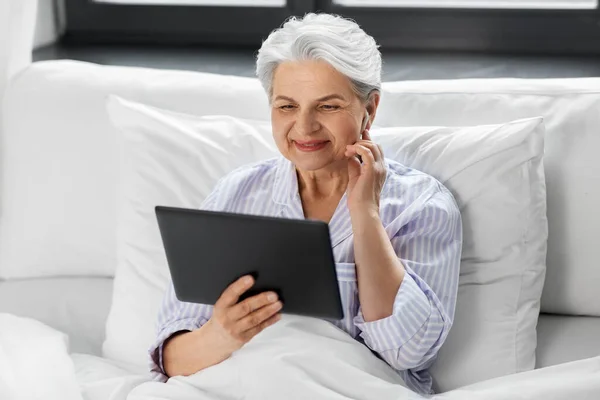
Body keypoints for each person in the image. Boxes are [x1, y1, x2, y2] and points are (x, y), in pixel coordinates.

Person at [149, 13, 462, 395]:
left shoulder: (421, 206)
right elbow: (170, 358)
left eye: (327, 106)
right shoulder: (236, 195)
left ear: (370, 108)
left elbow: (409, 351)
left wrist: (365, 214)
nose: (305, 126)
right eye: (286, 107)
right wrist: (220, 335)